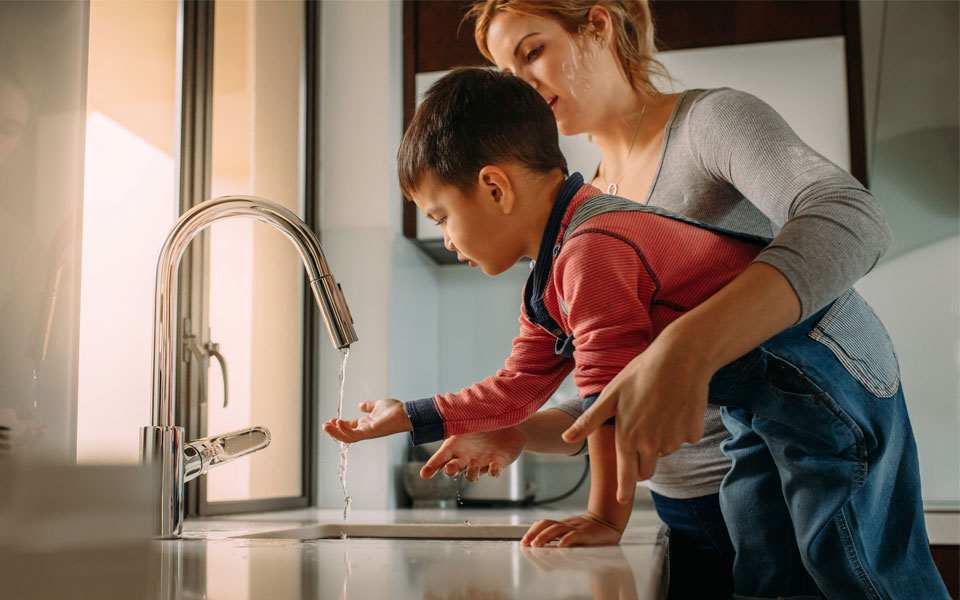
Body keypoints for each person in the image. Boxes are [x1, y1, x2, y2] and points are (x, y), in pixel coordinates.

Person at [323, 66, 948, 599]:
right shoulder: (553, 270)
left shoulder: (591, 248)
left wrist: (603, 516)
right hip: (757, 398)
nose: (447, 237)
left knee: (852, 565)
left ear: (494, 187)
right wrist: (409, 415)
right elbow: (517, 389)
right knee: (767, 564)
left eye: (441, 216)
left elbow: (607, 403)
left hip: (821, 373)